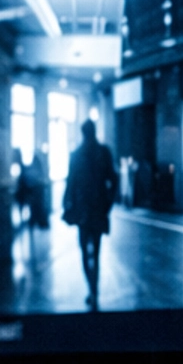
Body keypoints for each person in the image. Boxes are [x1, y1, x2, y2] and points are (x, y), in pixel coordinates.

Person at [63, 117, 119, 309]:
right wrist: (109, 203)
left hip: (83, 211)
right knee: (96, 250)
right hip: (98, 209)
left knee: (84, 250)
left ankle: (92, 288)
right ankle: (94, 289)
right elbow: (114, 179)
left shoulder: (76, 155)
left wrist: (67, 205)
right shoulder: (104, 153)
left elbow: (70, 183)